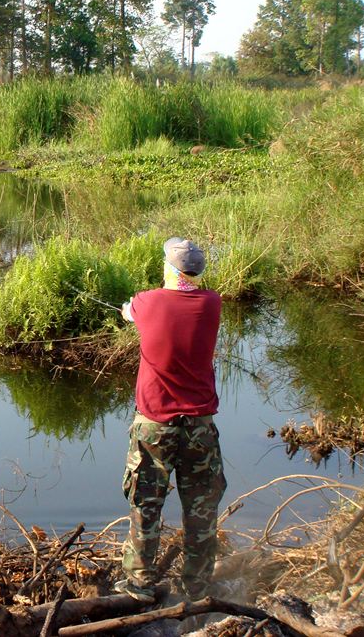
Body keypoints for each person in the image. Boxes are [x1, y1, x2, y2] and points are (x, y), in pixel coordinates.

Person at [115, 237, 226, 602]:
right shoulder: (212, 304)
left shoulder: (147, 302)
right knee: (201, 508)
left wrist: (128, 311)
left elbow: (131, 311)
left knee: (146, 506)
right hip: (199, 428)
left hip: (154, 426)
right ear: (197, 271)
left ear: (169, 267)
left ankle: (141, 585)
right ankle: (197, 586)